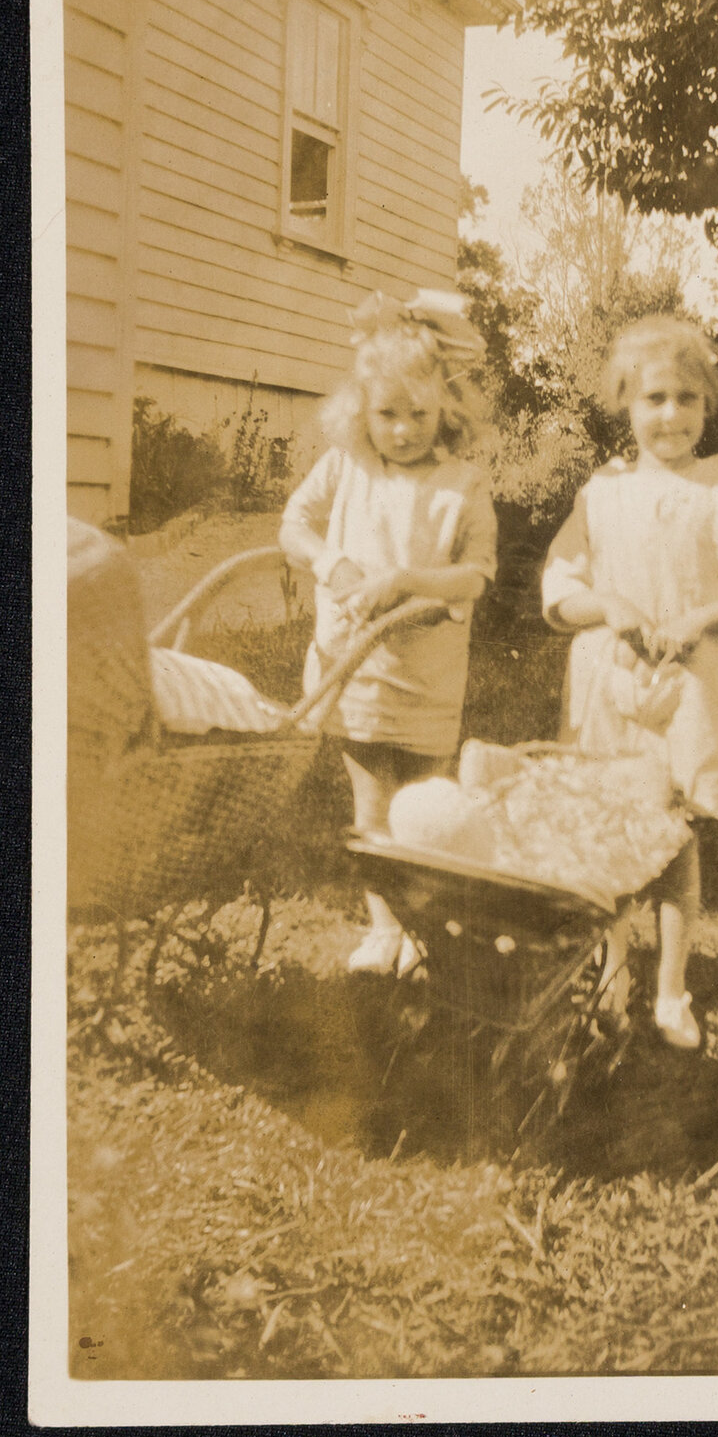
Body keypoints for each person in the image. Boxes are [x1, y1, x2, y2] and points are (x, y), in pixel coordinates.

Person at [541, 315, 718, 1048]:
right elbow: (561, 587)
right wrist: (609, 605)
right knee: (614, 835)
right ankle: (612, 975)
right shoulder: (602, 492)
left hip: (692, 691)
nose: (671, 415)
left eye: (688, 398)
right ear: (625, 402)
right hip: (614, 690)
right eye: (654, 398)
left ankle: (672, 991)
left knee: (677, 838)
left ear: (708, 405)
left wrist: (703, 617)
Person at [280, 290, 497, 976]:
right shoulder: (348, 468)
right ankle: (383, 932)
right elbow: (294, 525)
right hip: (356, 671)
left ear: (449, 411)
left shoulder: (462, 485)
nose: (402, 430)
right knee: (373, 804)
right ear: (361, 411)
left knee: (426, 811)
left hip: (428, 679)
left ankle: (423, 930)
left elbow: (476, 577)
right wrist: (333, 562)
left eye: (419, 415)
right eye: (387, 415)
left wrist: (409, 581)